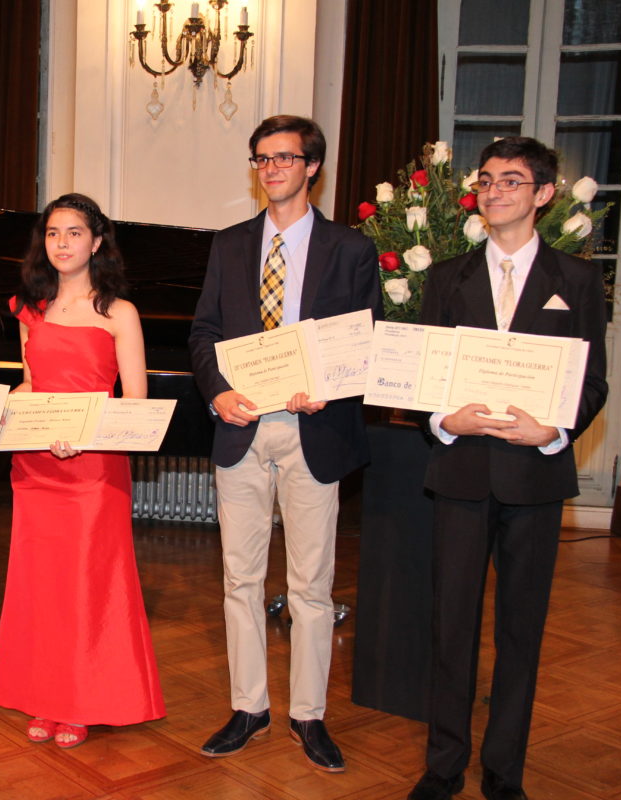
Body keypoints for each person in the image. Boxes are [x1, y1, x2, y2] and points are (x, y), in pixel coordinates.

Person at [407, 138, 607, 800]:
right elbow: (423, 378)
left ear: (543, 195)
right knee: (450, 630)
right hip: (460, 474)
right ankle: (442, 769)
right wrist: (442, 421)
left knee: (521, 634)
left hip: (535, 479)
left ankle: (504, 774)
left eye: (512, 182)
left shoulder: (576, 280)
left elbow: (593, 381)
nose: (495, 192)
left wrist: (555, 431)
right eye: (487, 181)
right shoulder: (447, 277)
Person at [188, 115, 382, 771]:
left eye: (284, 158)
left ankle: (309, 715)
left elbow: (364, 339)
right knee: (239, 579)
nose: (271, 169)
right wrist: (216, 392)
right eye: (261, 159)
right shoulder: (230, 244)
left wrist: (333, 384)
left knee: (311, 585)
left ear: (312, 167)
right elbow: (203, 333)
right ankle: (249, 706)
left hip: (313, 429)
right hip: (241, 426)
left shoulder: (351, 250)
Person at [0, 193, 165, 749]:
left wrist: (86, 432)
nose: (61, 243)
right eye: (53, 233)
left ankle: (81, 701)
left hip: (94, 468)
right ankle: (45, 696)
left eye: (73, 233)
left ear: (97, 241)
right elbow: (34, 382)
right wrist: (2, 408)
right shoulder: (27, 308)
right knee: (40, 586)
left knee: (87, 585)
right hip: (37, 464)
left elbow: (134, 399)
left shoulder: (120, 313)